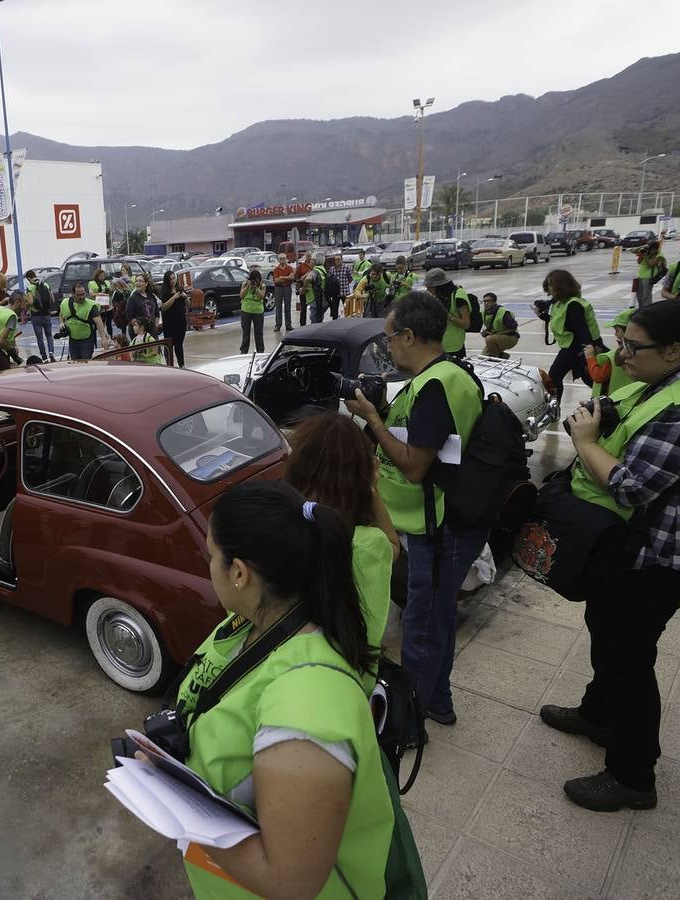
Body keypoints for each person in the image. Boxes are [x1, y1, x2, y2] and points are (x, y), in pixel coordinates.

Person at [540, 300, 680, 812]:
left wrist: (588, 442)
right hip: (632, 543)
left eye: (632, 346)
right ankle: (598, 713)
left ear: (675, 350)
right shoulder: (660, 383)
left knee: (629, 654)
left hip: (665, 552)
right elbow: (615, 417)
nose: (622, 353)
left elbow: (634, 485)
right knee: (607, 624)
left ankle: (633, 774)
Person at [146, 480, 392, 899]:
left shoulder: (307, 711)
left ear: (239, 572)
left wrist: (172, 803)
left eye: (211, 556)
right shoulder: (252, 624)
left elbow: (290, 882)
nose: (208, 565)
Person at [344, 292, 486, 726]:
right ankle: (437, 702)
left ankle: (411, 717)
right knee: (435, 617)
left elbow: (412, 467)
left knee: (422, 627)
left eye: (389, 339)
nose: (388, 348)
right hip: (442, 520)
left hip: (439, 527)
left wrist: (372, 420)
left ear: (409, 335)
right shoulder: (447, 375)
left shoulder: (436, 385)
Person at [283, 413, 399, 692]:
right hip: (349, 684)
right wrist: (372, 489)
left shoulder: (278, 532)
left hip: (286, 680)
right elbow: (393, 546)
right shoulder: (368, 546)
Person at [538, 269, 601, 404]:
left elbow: (582, 330)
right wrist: (542, 316)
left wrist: (588, 354)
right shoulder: (560, 302)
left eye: (551, 285)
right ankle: (555, 406)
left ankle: (609, 398)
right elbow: (562, 322)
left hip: (578, 347)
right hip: (570, 347)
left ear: (560, 286)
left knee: (591, 378)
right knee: (556, 376)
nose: (549, 288)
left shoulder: (573, 305)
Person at [423, 268, 472, 359]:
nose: (428, 290)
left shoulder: (458, 296)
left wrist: (448, 316)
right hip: (439, 343)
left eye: (429, 288)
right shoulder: (440, 296)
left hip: (454, 346)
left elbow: (466, 324)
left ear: (438, 286)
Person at [585, 308, 635, 397]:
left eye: (617, 330)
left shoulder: (614, 356)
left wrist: (590, 357)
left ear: (628, 331)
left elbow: (598, 376)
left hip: (615, 400)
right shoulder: (641, 353)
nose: (615, 334)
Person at [61, 282, 109, 360]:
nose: (82, 297)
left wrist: (103, 338)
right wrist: (62, 323)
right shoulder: (65, 303)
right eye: (79, 295)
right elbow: (61, 314)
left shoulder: (91, 306)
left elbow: (99, 322)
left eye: (83, 294)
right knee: (75, 362)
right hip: (73, 340)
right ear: (73, 294)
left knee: (85, 363)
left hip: (87, 340)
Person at [159, 270, 189, 368]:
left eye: (173, 278)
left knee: (179, 344)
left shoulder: (180, 289)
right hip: (169, 323)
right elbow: (163, 307)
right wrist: (174, 297)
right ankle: (169, 365)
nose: (173, 281)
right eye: (170, 279)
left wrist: (185, 297)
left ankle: (182, 364)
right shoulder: (164, 292)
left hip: (181, 321)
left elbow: (189, 304)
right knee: (169, 344)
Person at [25, 269, 57, 360]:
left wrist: (27, 305)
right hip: (46, 314)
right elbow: (53, 300)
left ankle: (44, 357)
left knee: (40, 338)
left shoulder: (30, 288)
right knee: (49, 335)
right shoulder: (46, 285)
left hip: (36, 316)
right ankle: (51, 352)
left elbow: (30, 302)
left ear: (28, 278)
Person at [479, 292, 519, 359]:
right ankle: (503, 356)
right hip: (496, 337)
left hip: (511, 337)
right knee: (482, 358)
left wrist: (497, 334)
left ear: (494, 302)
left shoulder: (503, 312)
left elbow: (513, 328)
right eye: (485, 301)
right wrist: (485, 332)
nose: (486, 303)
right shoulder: (484, 313)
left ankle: (496, 359)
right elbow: (491, 327)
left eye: (489, 301)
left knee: (489, 339)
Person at [237, 269, 267, 354]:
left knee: (259, 333)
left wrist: (256, 288)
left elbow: (261, 296)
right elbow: (241, 295)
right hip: (246, 310)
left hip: (258, 311)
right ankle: (244, 351)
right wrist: (247, 287)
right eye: (253, 279)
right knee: (246, 332)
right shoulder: (245, 284)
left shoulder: (262, 286)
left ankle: (260, 351)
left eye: (256, 280)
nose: (254, 281)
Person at [633, 239, 667, 309]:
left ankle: (647, 309)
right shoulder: (646, 252)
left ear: (655, 249)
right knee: (639, 295)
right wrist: (641, 251)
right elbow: (637, 258)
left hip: (649, 277)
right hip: (641, 275)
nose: (648, 250)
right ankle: (641, 309)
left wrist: (645, 256)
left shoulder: (659, 255)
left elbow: (650, 265)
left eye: (650, 249)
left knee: (646, 295)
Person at [125, 274, 160, 338]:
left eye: (140, 281)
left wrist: (155, 327)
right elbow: (130, 316)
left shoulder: (151, 296)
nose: (138, 283)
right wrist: (141, 330)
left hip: (152, 331)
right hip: (139, 332)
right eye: (136, 281)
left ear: (146, 283)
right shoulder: (132, 298)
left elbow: (157, 313)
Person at [271, 253, 294, 333]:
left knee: (288, 307)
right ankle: (278, 325)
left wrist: (282, 277)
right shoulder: (276, 269)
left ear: (286, 259)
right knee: (278, 308)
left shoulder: (289, 268)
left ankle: (288, 325)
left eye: (283, 258)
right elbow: (276, 280)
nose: (282, 260)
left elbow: (292, 277)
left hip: (287, 288)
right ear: (278, 260)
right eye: (280, 258)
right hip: (278, 289)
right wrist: (287, 278)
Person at [304, 256, 329, 324]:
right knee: (319, 319)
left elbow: (308, 279)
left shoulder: (315, 271)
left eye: (312, 260)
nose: (310, 261)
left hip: (315, 299)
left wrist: (303, 289)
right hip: (324, 299)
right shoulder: (323, 269)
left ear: (315, 261)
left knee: (314, 320)